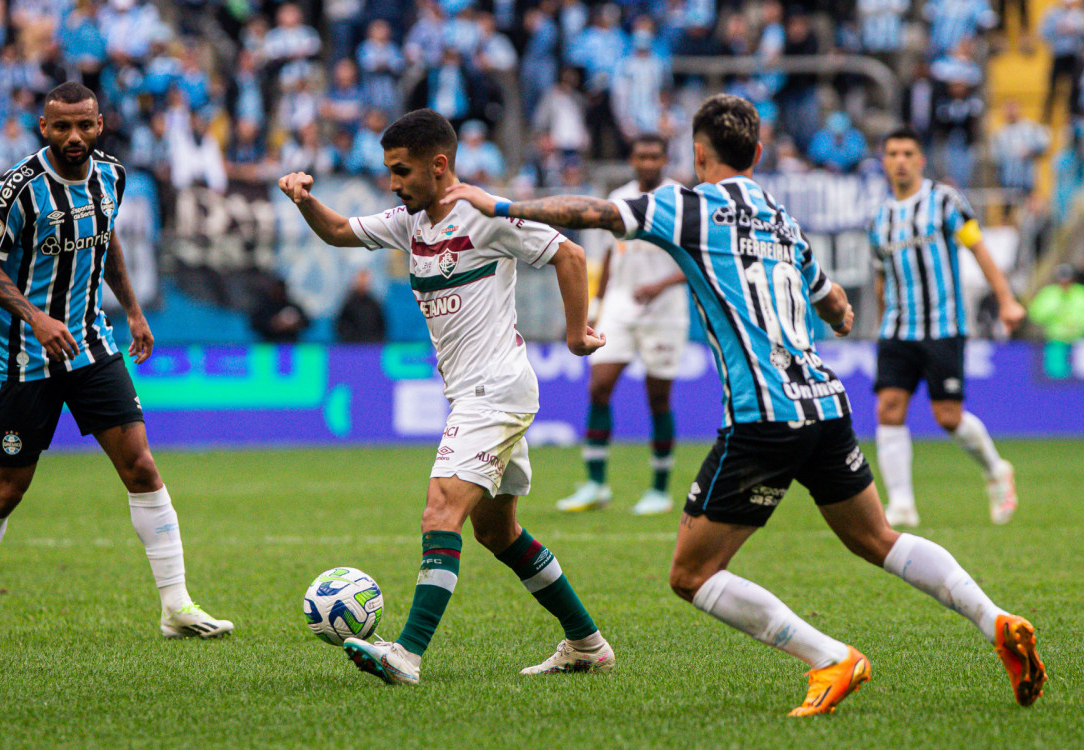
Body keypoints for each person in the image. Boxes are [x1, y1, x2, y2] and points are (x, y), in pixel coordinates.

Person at [443, 94, 1045, 716]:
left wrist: (500, 204)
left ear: (698, 155)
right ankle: (994, 618)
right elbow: (831, 300)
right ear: (757, 154)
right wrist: (836, 312)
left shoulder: (688, 205)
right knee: (879, 538)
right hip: (824, 402)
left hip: (763, 418)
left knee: (690, 575)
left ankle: (830, 658)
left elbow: (594, 211)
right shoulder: (781, 218)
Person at [277, 108, 613, 685]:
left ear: (439, 164)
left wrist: (578, 333)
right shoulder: (409, 222)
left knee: (440, 511)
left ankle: (406, 653)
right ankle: (587, 644)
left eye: (401, 170)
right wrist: (303, 198)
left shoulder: (483, 214)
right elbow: (338, 232)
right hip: (472, 395)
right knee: (496, 532)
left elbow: (571, 254)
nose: (393, 183)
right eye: (388, 171)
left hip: (496, 391)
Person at [0, 82, 232, 644]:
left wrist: (135, 313)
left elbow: (108, 242)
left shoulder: (112, 176)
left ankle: (176, 607)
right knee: (6, 492)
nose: (74, 136)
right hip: (25, 358)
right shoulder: (17, 191)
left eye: (85, 125)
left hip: (92, 347)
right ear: (43, 128)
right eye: (61, 127)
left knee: (142, 467)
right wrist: (36, 319)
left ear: (100, 124)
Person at [868, 126, 1026, 528]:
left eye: (908, 153)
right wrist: (882, 318)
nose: (900, 160)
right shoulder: (880, 219)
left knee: (948, 417)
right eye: (893, 153)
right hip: (897, 328)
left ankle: (995, 469)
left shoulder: (944, 201)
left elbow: (978, 249)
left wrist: (1006, 300)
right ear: (884, 162)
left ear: (920, 160)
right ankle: (902, 504)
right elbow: (881, 276)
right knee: (888, 408)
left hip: (943, 325)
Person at [557, 133, 689, 516]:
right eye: (641, 156)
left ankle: (660, 489)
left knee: (658, 397)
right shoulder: (619, 197)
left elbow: (695, 260)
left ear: (664, 158)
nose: (647, 162)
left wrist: (660, 284)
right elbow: (611, 254)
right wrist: (597, 306)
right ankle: (595, 484)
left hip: (665, 309)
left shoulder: (679, 200)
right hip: (620, 304)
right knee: (599, 386)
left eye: (654, 156)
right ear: (632, 159)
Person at [249, 275, 311, 343]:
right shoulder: (264, 307)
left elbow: (307, 323)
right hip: (269, 344)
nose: (279, 293)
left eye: (281, 290)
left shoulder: (293, 306)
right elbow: (254, 324)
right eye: (277, 290)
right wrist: (273, 324)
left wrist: (296, 324)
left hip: (291, 344)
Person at [336, 268, 387, 343]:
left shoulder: (374, 304)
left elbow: (381, 326)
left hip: (371, 345)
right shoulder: (348, 303)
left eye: (365, 280)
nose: (363, 282)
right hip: (352, 346)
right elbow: (340, 325)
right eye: (360, 279)